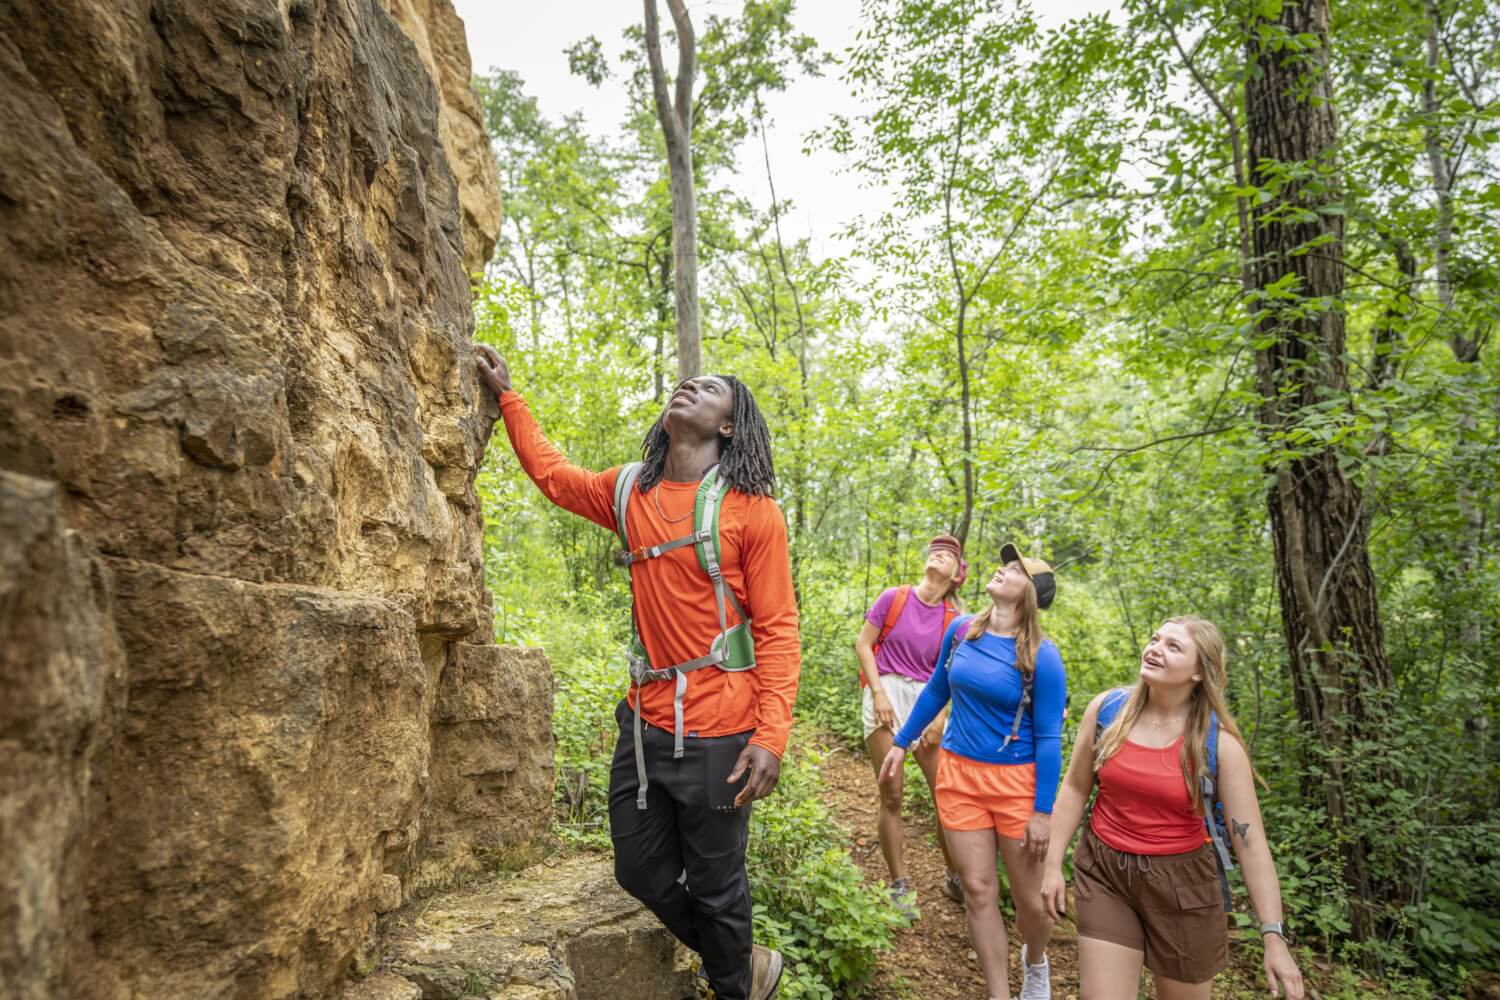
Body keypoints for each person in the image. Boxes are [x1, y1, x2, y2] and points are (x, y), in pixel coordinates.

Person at [476, 346, 798, 1000]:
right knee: (639, 871)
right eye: (687, 381)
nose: (689, 386)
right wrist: (510, 400)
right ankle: (740, 960)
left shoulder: (752, 513)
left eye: (709, 389)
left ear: (729, 427)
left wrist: (770, 737)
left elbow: (778, 629)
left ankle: (732, 984)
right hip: (648, 723)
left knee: (716, 885)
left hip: (722, 734)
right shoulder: (631, 490)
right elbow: (555, 476)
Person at [1039, 616, 1305, 1000]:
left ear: (1200, 671)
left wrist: (1273, 935)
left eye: (1173, 646)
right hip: (1105, 872)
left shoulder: (1219, 745)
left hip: (1184, 887)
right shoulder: (1108, 711)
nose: (1155, 648)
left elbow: (1249, 842)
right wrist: (1052, 864)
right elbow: (1077, 785)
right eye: (1155, 639)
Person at [879, 544, 1066, 1000]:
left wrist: (1043, 812)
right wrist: (902, 742)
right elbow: (937, 690)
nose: (1003, 570)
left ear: (1031, 596)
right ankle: (1000, 993)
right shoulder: (962, 631)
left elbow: (1048, 739)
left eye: (1016, 570)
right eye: (1005, 564)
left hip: (1016, 785)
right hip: (959, 777)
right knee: (979, 889)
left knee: (1029, 902)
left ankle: (1035, 961)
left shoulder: (1044, 658)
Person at [854, 535, 968, 912]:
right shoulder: (895, 597)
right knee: (893, 794)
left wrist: (940, 718)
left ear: (957, 575)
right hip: (885, 689)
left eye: (949, 554)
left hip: (929, 702)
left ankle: (956, 876)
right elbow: (863, 644)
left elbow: (953, 674)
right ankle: (899, 882)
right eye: (936, 549)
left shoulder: (955, 620)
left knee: (945, 796)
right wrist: (878, 694)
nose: (940, 553)